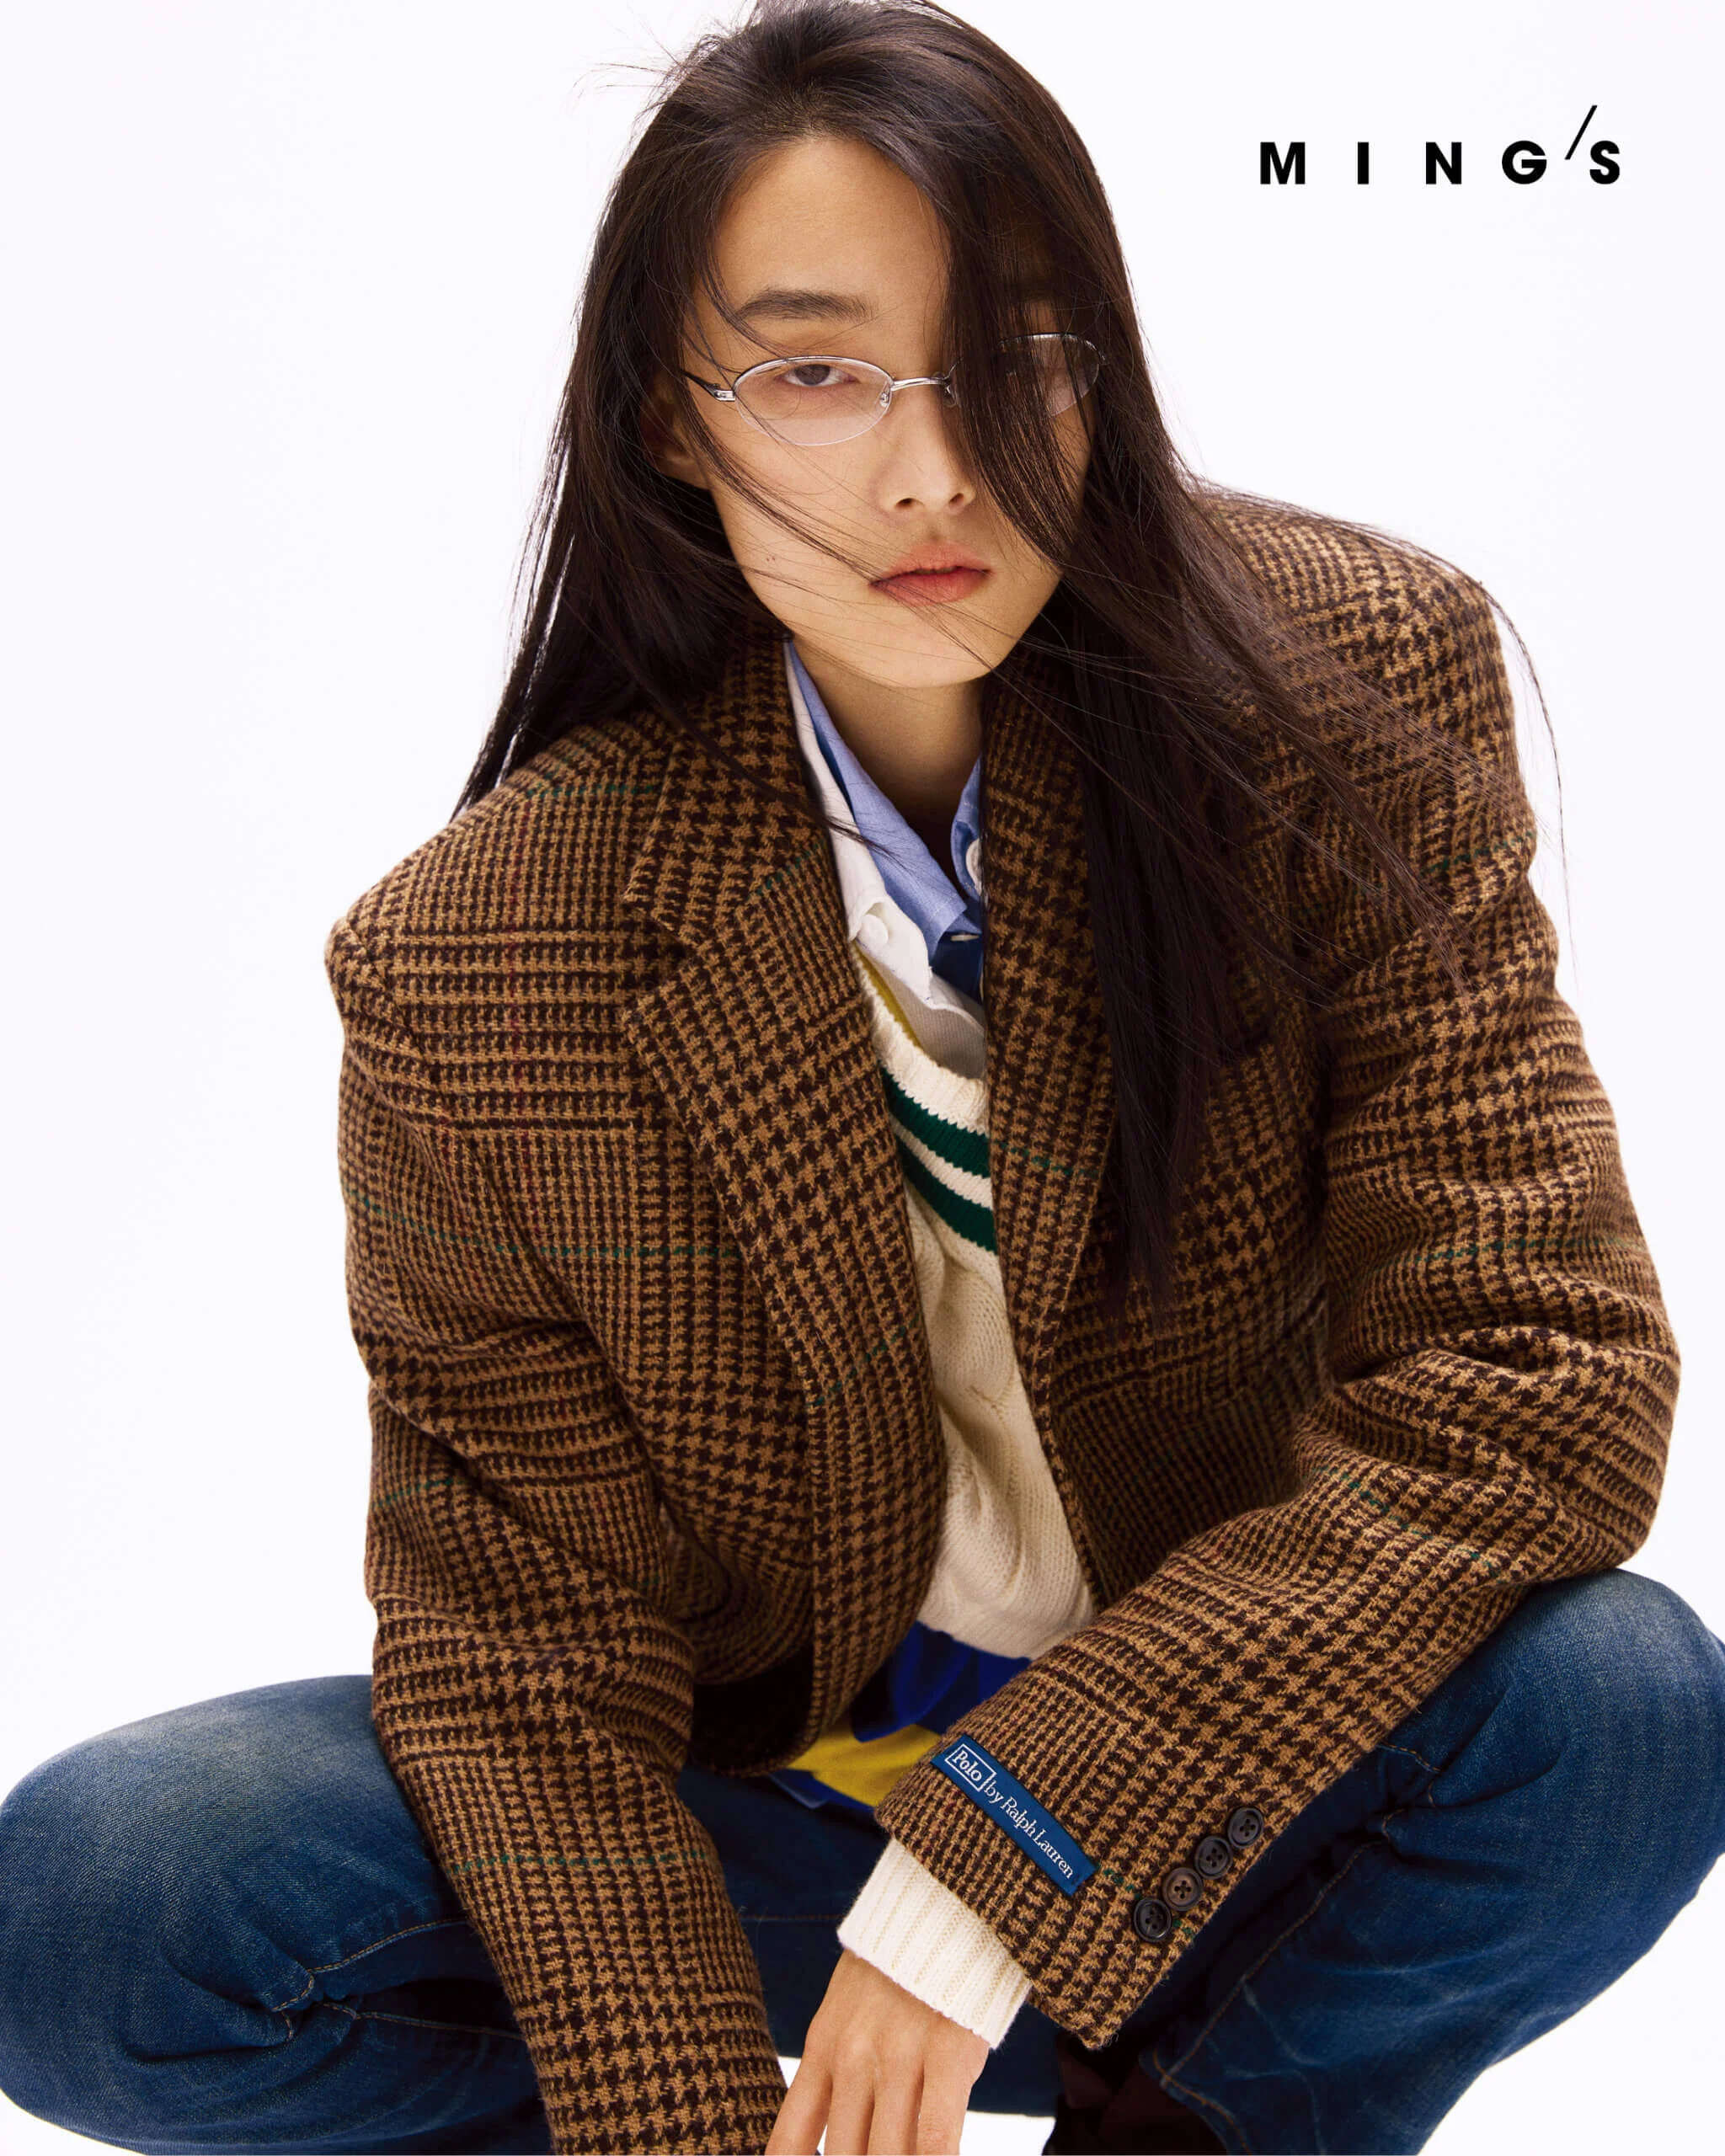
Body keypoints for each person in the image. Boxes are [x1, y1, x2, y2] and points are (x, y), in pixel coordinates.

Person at [2, 2, 1722, 2152]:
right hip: (774, 1830)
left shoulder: (1344, 685)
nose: (936, 469)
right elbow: (525, 1648)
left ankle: (1186, 2122)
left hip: (1222, 1798)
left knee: (1616, 1702)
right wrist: (677, 2114)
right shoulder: (476, 954)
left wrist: (1011, 1845)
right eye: (817, 373)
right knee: (103, 1896)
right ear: (667, 413)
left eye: (1018, 356)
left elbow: (1540, 1368)